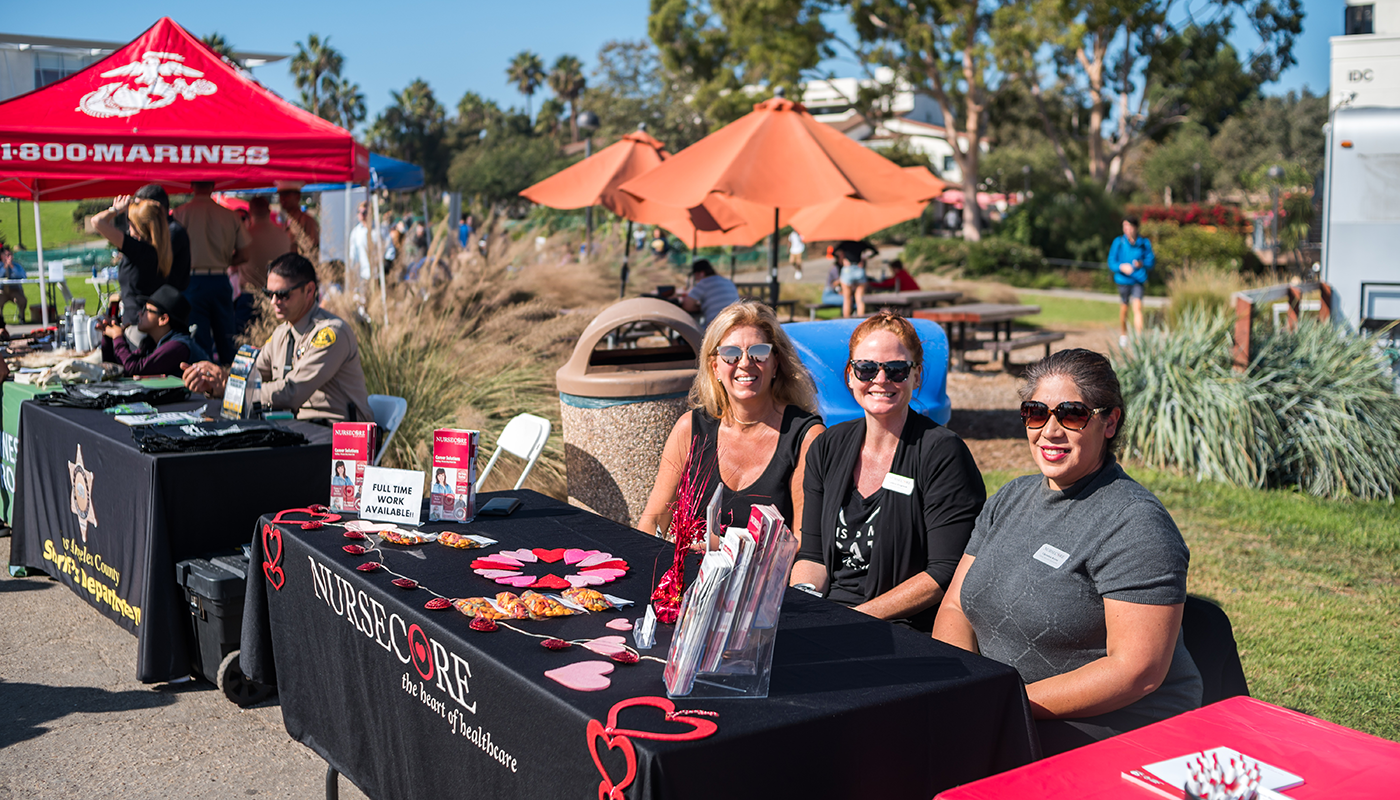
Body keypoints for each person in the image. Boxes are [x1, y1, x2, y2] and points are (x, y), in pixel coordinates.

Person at [933, 348, 1201, 755]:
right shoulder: (1011, 496)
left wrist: (1005, 704)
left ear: (1109, 422)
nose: (1050, 430)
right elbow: (955, 607)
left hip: (1110, 727)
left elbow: (1136, 671)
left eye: (1072, 414)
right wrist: (962, 686)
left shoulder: (1134, 523)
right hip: (1001, 708)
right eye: (1036, 412)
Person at [790, 312, 984, 631]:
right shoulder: (827, 446)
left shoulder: (941, 452)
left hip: (902, 624)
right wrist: (803, 604)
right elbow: (813, 556)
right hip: (830, 617)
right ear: (850, 375)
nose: (880, 380)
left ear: (916, 376)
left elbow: (944, 572)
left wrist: (855, 620)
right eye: (866, 368)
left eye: (895, 370)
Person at [638, 300, 824, 539]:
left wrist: (719, 547)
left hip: (771, 576)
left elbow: (804, 543)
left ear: (775, 363)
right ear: (715, 367)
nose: (745, 363)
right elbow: (652, 522)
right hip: (691, 574)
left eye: (758, 352)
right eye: (731, 355)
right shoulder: (690, 429)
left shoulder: (806, 436)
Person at [181, 253, 372, 423]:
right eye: (269, 293)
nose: (274, 302)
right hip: (300, 427)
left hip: (340, 437)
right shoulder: (282, 333)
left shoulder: (331, 333)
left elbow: (291, 393)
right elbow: (253, 375)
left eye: (282, 295)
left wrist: (228, 389)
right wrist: (214, 381)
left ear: (309, 291)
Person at [176, 181, 249, 364]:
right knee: (227, 337)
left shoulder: (180, 213)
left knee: (199, 338)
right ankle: (230, 379)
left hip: (192, 280)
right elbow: (245, 253)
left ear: (192, 185)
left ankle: (203, 379)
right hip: (219, 277)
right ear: (213, 186)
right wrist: (223, 261)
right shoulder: (230, 216)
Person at [92, 196, 175, 333]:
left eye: (130, 222)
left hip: (136, 325)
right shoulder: (160, 249)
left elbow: (97, 222)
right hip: (150, 325)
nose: (128, 226)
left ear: (139, 226)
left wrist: (116, 210)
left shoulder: (139, 250)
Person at [99, 285, 208, 377]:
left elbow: (135, 368)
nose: (139, 314)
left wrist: (118, 337)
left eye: (146, 310)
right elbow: (118, 368)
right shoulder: (152, 343)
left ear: (163, 319)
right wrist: (108, 336)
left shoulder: (178, 346)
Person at [232, 196, 291, 335]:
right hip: (277, 296)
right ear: (268, 210)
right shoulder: (283, 235)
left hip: (250, 296)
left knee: (243, 344)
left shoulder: (246, 235)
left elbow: (234, 262)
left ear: (251, 212)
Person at [1108, 216, 1154, 346]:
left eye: (1129, 226)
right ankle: (1124, 334)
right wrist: (1121, 267)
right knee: (1124, 308)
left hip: (1138, 279)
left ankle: (1139, 338)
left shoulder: (1144, 243)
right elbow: (1111, 262)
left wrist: (1141, 263)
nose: (1126, 229)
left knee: (1138, 307)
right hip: (1123, 280)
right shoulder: (1119, 242)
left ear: (1136, 228)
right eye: (1125, 226)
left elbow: (1151, 261)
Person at [678, 259, 741, 329]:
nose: (695, 279)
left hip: (717, 327)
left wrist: (700, 307)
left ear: (701, 273)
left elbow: (687, 306)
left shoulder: (704, 283)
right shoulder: (728, 281)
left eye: (695, 276)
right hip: (736, 324)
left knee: (682, 337)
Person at [278, 188, 320, 261]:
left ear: (297, 196)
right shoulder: (287, 220)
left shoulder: (307, 221)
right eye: (280, 195)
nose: (282, 198)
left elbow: (313, 251)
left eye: (286, 195)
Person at [348, 201, 382, 284]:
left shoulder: (378, 230)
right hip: (362, 275)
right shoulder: (356, 232)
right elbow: (352, 255)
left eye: (364, 212)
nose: (361, 214)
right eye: (359, 212)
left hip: (378, 274)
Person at [0, 246, 27, 324]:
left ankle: (21, 318)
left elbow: (22, 276)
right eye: (7, 255)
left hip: (14, 290)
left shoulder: (17, 266)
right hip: (2, 291)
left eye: (10, 255)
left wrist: (12, 266)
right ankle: (1, 320)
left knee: (22, 300)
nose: (10, 257)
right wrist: (5, 267)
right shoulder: (0, 266)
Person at [838, 248, 867, 318]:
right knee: (860, 299)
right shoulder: (860, 244)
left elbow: (834, 253)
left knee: (847, 299)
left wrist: (843, 260)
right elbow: (874, 252)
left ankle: (846, 320)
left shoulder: (844, 244)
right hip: (859, 269)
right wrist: (863, 260)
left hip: (848, 269)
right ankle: (860, 320)